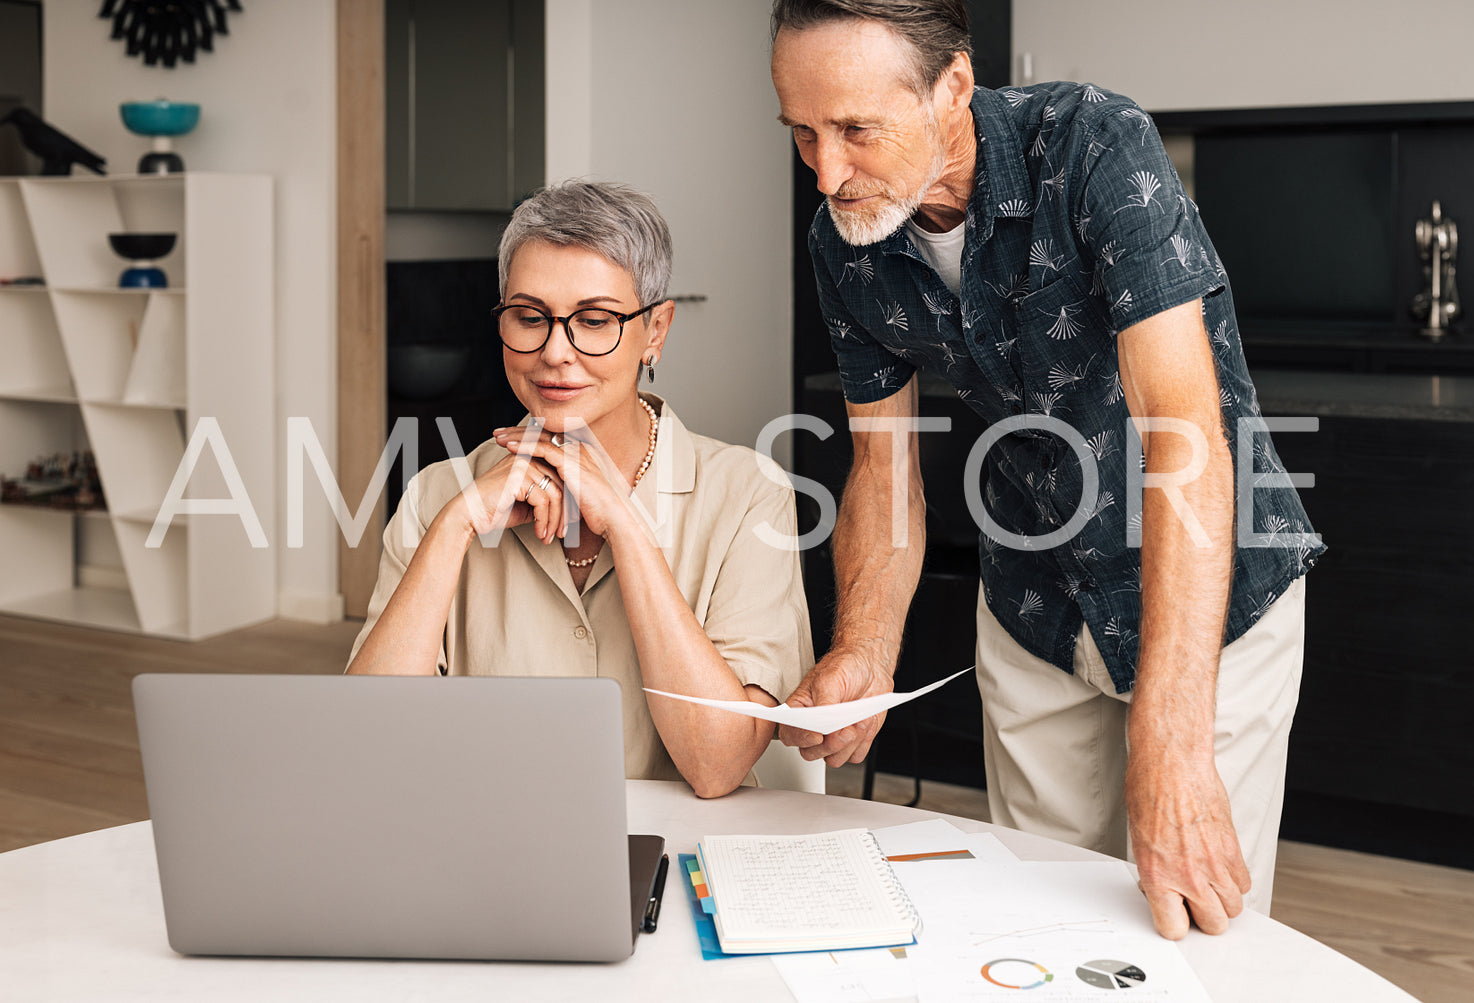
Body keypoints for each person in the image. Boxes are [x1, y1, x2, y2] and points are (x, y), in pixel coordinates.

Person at [768, 0, 1322, 938]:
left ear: (952, 87)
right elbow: (881, 468)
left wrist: (1170, 737)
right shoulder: (845, 243)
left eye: (856, 129)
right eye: (802, 133)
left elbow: (1180, 440)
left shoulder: (1095, 149)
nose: (826, 171)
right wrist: (863, 646)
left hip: (1209, 609)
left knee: (1193, 919)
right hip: (1034, 601)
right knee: (1042, 927)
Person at [348, 180, 813, 799]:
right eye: (529, 317)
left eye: (594, 321)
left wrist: (627, 529)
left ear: (656, 331)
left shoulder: (749, 495)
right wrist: (453, 528)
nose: (555, 353)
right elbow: (368, 744)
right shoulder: (440, 495)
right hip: (489, 851)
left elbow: (718, 764)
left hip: (683, 856)